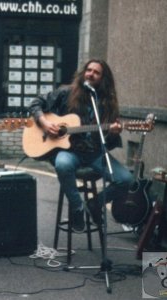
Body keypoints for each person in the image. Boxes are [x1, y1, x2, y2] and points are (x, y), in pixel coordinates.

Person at [29, 58, 134, 233]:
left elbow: (105, 140)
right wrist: (45, 123)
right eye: (89, 70)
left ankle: (95, 204)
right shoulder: (67, 93)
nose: (91, 74)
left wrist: (113, 133)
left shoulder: (108, 104)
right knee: (63, 164)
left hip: (95, 153)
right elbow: (35, 104)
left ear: (103, 78)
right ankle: (77, 208)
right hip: (68, 151)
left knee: (126, 180)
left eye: (96, 72)